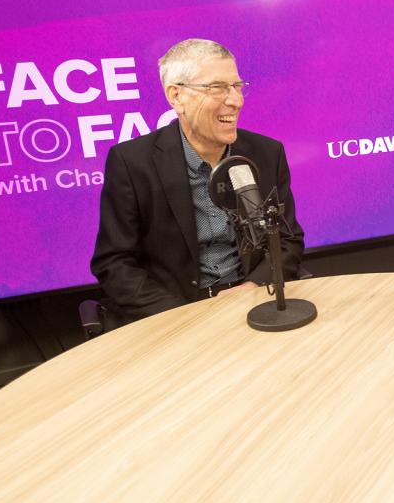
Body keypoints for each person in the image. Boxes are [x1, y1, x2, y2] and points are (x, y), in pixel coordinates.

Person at [91, 38, 304, 325]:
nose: (235, 100)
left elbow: (287, 239)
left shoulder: (266, 153)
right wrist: (186, 317)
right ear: (176, 96)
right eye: (217, 88)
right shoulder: (132, 163)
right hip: (176, 315)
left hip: (253, 302)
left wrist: (253, 288)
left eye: (237, 86)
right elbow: (115, 264)